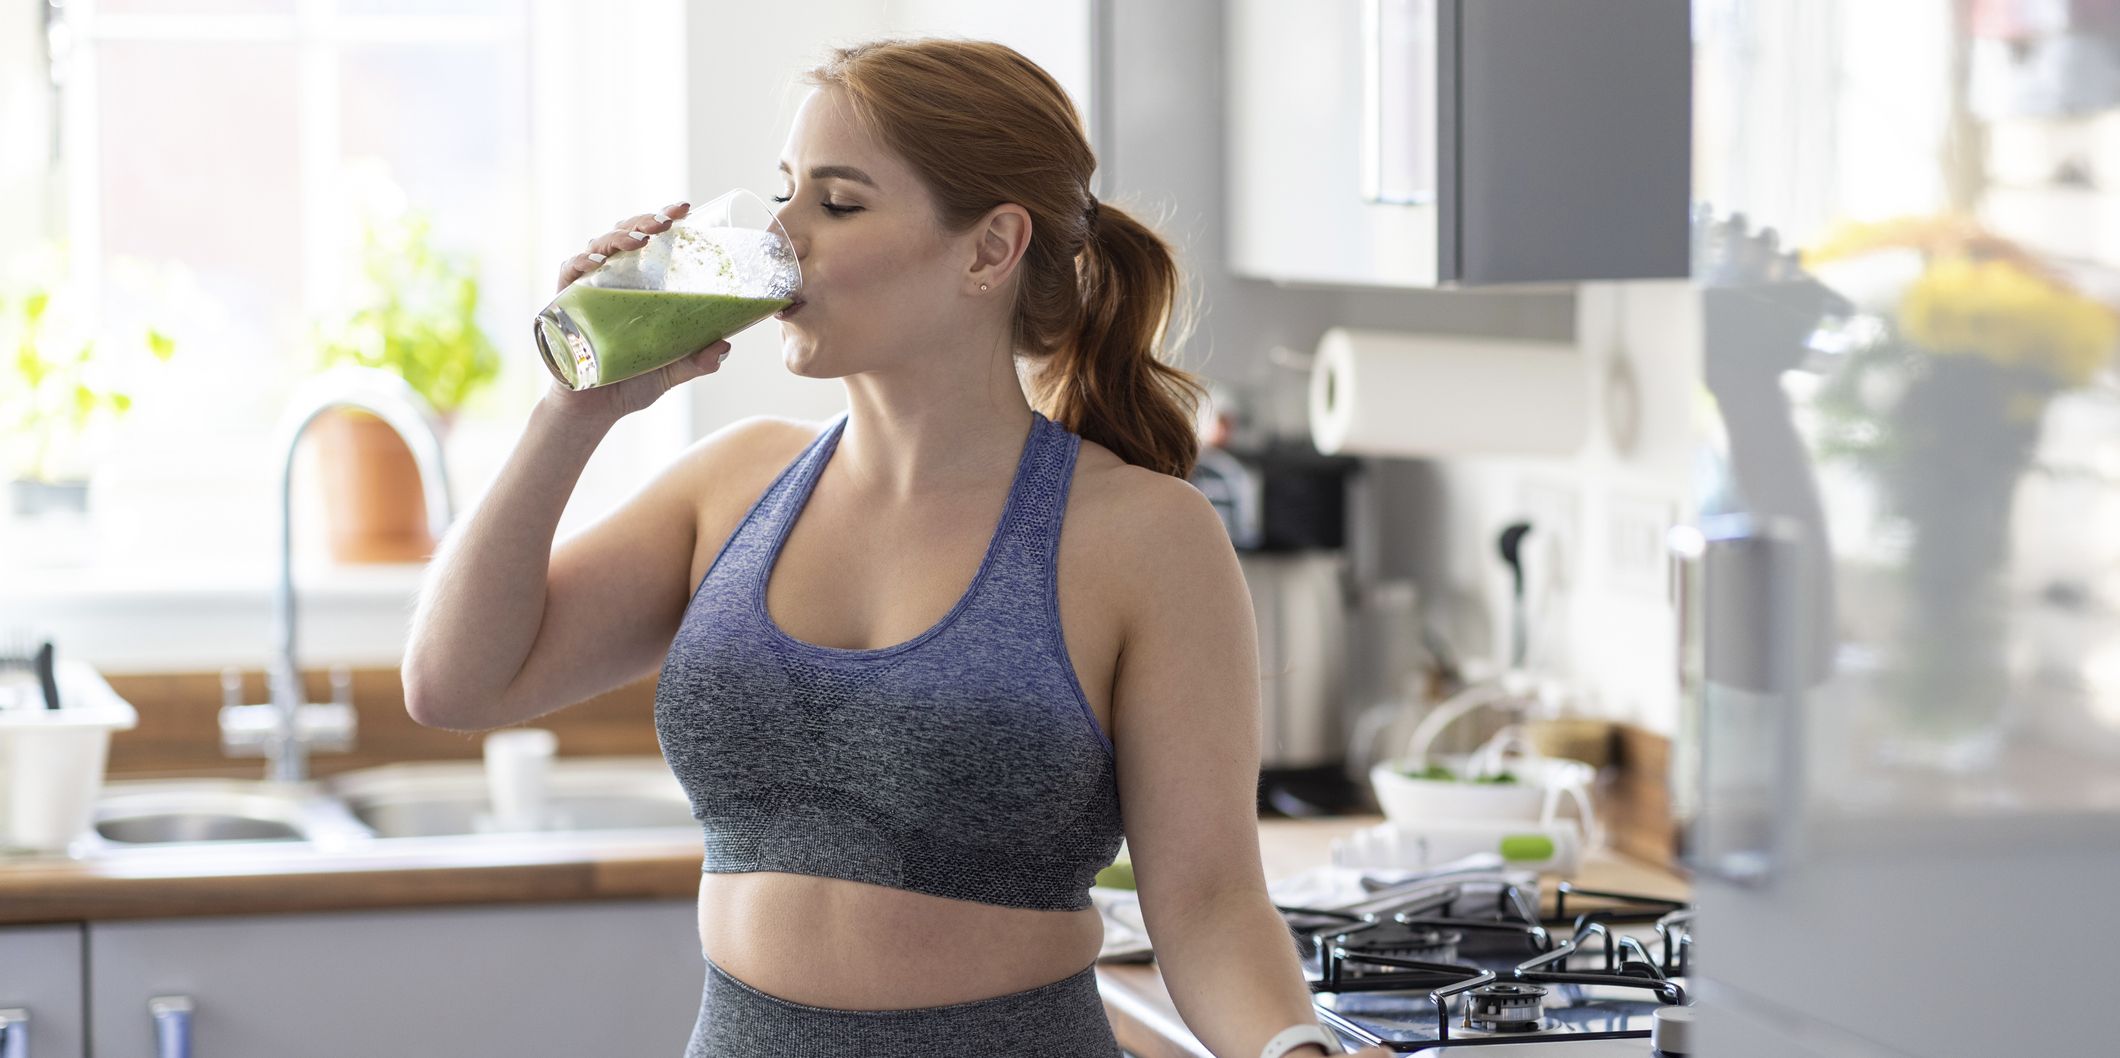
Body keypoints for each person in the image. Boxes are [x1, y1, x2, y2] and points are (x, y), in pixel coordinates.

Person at [402, 37, 1389, 1058]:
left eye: (836, 203)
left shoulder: (1144, 537)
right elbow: (455, 682)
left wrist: (1295, 1049)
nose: (780, 236)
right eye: (784, 192)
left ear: (988, 248)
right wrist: (573, 412)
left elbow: (1211, 900)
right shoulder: (731, 487)